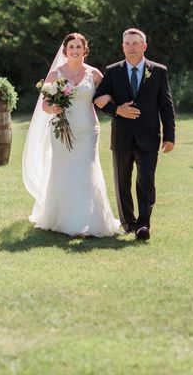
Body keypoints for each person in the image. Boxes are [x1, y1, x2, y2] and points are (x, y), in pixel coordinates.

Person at [23, 33, 120, 237]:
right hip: (61, 129)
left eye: (79, 47)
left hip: (87, 129)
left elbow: (106, 97)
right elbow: (44, 104)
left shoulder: (94, 74)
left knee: (86, 169)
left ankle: (87, 222)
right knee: (64, 169)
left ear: (85, 50)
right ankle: (62, 218)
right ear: (65, 50)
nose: (75, 51)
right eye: (71, 47)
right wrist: (53, 108)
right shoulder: (55, 75)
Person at [94, 28, 175, 240]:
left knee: (146, 182)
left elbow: (166, 105)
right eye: (127, 44)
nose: (131, 47)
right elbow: (99, 98)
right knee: (122, 182)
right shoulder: (113, 71)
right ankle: (128, 222)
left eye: (135, 43)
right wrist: (117, 109)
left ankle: (143, 224)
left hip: (149, 137)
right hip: (121, 137)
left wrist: (169, 135)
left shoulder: (158, 71)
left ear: (144, 46)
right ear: (122, 47)